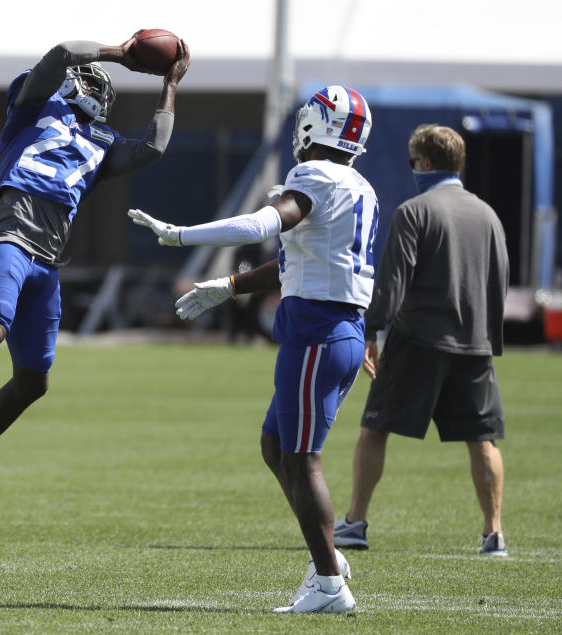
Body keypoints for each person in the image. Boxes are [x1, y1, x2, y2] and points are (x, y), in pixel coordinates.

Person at [0, 34, 190, 527]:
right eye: (91, 81)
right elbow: (60, 55)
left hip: (48, 260)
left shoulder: (102, 143)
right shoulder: (32, 108)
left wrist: (170, 85)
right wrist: (121, 54)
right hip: (9, 236)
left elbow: (153, 148)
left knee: (33, 382)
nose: (97, 89)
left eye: (105, 86)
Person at [130, 86, 377, 614]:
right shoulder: (359, 185)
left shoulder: (314, 176)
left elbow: (262, 225)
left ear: (317, 126)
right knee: (275, 446)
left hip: (319, 329)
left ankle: (330, 582)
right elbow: (299, 261)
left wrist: (181, 236)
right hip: (331, 327)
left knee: (301, 457)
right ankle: (326, 557)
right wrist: (229, 286)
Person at [332, 124, 510, 557]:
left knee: (375, 428)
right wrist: (487, 336)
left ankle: (355, 522)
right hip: (475, 343)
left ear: (426, 163)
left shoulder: (414, 211)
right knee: (482, 439)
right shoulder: (488, 214)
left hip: (419, 339)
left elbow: (393, 283)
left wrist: (373, 331)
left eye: (413, 161)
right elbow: (500, 279)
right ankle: (494, 534)